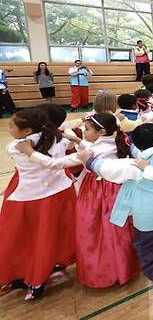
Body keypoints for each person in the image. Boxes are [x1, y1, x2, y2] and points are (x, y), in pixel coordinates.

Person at [17, 113, 141, 289]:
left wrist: (29, 152)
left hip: (97, 193)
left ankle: (103, 271)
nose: (84, 131)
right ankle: (124, 266)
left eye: (87, 129)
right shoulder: (117, 141)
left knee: (94, 229)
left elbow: (55, 163)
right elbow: (94, 147)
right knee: (117, 230)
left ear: (102, 131)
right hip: (117, 191)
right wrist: (76, 139)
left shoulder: (90, 152)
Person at [88, 124, 153, 295]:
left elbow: (106, 168)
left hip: (150, 216)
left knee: (146, 248)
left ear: (136, 143)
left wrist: (89, 160)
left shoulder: (135, 165)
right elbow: (145, 152)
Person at [0, 109, 76, 300]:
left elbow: (47, 162)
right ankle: (48, 268)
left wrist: (30, 151)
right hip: (61, 192)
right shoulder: (59, 138)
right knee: (52, 234)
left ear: (27, 130)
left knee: (29, 236)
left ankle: (34, 275)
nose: (8, 128)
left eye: (11, 125)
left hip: (32, 198)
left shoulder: (16, 147)